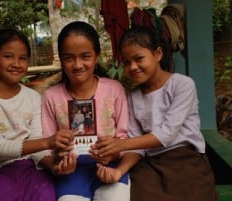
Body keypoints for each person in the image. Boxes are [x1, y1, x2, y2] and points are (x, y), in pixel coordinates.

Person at [92, 26, 219, 201]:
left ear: (158, 54)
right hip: (151, 165)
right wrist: (118, 171)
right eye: (127, 62)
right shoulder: (133, 97)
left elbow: (166, 134)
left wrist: (120, 144)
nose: (133, 67)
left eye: (139, 58)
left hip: (186, 160)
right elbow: (137, 147)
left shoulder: (182, 85)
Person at [41, 21, 137, 201]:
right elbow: (46, 146)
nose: (77, 65)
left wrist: (114, 151)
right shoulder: (51, 96)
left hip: (110, 166)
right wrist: (56, 163)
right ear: (61, 59)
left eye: (85, 56)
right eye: (69, 58)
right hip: (71, 172)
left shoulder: (114, 90)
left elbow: (126, 138)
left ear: (96, 56)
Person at [0, 29, 58, 201]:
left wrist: (55, 166)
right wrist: (48, 142)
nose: (16, 63)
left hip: (31, 169)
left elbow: (37, 145)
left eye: (22, 58)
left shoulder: (33, 97)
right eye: (8, 56)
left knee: (47, 195)